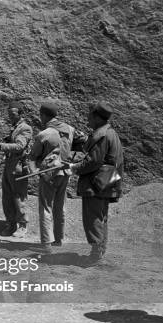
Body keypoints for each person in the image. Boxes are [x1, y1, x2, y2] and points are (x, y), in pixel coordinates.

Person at [70, 102, 123, 263]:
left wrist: (74, 167)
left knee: (92, 218)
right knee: (101, 217)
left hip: (96, 183)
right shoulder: (109, 133)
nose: (87, 120)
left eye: (90, 117)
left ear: (97, 117)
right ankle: (99, 251)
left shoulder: (101, 135)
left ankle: (95, 253)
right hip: (107, 181)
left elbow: (93, 161)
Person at [28, 102, 83, 248]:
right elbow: (82, 141)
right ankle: (58, 240)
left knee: (46, 208)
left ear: (43, 115)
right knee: (60, 207)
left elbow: (33, 157)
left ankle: (46, 243)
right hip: (65, 173)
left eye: (40, 115)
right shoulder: (70, 129)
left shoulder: (44, 134)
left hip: (48, 174)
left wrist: (35, 171)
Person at [0, 101, 32, 238]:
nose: (10, 116)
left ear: (20, 114)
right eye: (9, 113)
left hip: (18, 167)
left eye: (13, 114)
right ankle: (11, 224)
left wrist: (3, 145)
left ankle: (22, 225)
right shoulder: (14, 127)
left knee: (19, 197)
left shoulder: (25, 128)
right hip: (9, 165)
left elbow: (20, 146)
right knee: (7, 196)